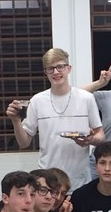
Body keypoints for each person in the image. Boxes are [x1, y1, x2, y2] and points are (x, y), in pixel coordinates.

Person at [7, 48, 103, 191]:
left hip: (80, 180)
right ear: (46, 72)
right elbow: (24, 142)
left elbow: (100, 135)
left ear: (69, 68)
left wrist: (90, 140)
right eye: (50, 69)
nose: (56, 72)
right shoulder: (37, 101)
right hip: (47, 181)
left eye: (60, 67)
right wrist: (15, 121)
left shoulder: (86, 98)